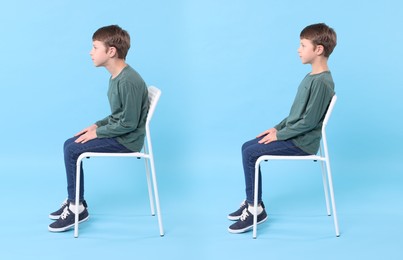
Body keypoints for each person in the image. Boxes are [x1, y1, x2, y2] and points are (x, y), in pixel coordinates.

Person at [228, 23, 337, 234]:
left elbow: (309, 122)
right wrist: (276, 129)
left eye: (303, 45)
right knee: (246, 147)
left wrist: (281, 134)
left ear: (318, 49)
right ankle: (253, 201)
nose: (298, 49)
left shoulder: (323, 83)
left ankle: (255, 209)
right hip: (293, 135)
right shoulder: (311, 77)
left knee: (251, 153)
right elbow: (296, 115)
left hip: (302, 143)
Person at [48, 25, 149, 232]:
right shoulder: (116, 77)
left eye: (95, 47)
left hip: (127, 140)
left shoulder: (128, 81)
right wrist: (97, 125)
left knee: (73, 149)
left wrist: (98, 133)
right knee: (70, 143)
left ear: (111, 51)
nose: (90, 52)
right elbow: (119, 115)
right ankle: (76, 201)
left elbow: (128, 123)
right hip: (121, 133)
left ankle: (76, 208)